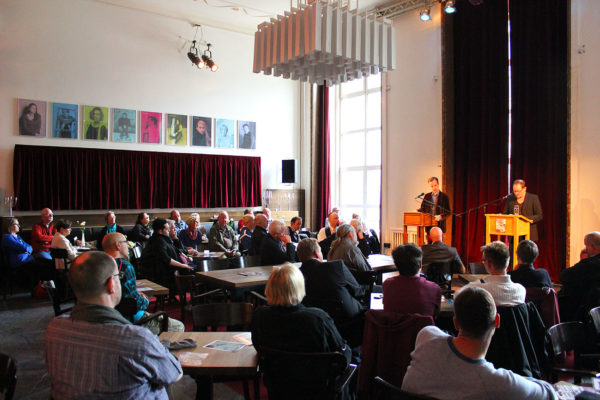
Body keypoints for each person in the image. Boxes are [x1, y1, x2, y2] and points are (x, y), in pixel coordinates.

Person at [45, 251, 182, 399]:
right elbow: (174, 374)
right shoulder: (135, 338)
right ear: (111, 284)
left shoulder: (54, 328)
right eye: (119, 277)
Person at [401, 286, 557, 400]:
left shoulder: (426, 336)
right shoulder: (499, 383)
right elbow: (550, 394)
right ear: (497, 321)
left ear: (455, 323)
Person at [251, 263, 350, 359]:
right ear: (300, 287)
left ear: (269, 288)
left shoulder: (259, 316)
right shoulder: (318, 319)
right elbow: (342, 354)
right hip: (316, 375)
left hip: (275, 374)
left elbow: (258, 347)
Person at [103, 232, 184, 334]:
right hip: (131, 321)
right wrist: (145, 300)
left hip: (110, 318)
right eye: (125, 242)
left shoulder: (101, 265)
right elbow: (132, 304)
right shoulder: (125, 266)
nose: (128, 246)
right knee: (179, 326)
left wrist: (136, 294)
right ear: (117, 245)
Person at [297, 238, 365, 323]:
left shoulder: (296, 276)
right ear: (317, 253)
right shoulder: (336, 266)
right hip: (349, 319)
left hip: (316, 323)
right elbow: (358, 291)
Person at [459, 241, 526, 306]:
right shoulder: (521, 291)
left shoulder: (476, 289)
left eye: (483, 260)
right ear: (508, 261)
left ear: (488, 264)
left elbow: (457, 297)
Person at [383, 243, 441, 317]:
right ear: (420, 265)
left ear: (396, 266)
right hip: (422, 328)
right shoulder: (435, 288)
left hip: (394, 328)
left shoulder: (387, 284)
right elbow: (436, 314)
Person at [140, 218, 195, 290]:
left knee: (198, 268)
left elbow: (177, 250)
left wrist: (186, 258)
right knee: (198, 272)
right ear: (160, 231)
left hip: (174, 269)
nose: (169, 230)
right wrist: (183, 265)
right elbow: (166, 259)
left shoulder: (164, 239)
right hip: (168, 274)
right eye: (167, 229)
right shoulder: (159, 241)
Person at [559, 231, 600, 321]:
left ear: (592, 246)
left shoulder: (590, 264)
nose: (586, 249)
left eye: (586, 246)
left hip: (587, 308)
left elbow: (563, 276)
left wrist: (582, 261)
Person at [2, 218, 50, 290]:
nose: (19, 226)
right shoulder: (7, 237)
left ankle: (43, 288)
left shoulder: (17, 236)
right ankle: (37, 289)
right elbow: (23, 247)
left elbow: (30, 247)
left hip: (26, 258)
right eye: (16, 224)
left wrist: (26, 250)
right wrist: (26, 250)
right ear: (10, 226)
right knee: (41, 266)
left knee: (46, 262)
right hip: (18, 261)